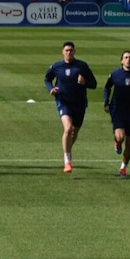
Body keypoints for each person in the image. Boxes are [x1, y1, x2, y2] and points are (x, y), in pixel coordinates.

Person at [44, 41, 98, 173]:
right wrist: (51, 89)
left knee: (74, 132)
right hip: (63, 101)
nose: (69, 52)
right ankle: (67, 160)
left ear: (75, 52)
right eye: (66, 50)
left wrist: (84, 82)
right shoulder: (56, 66)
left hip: (79, 103)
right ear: (62, 52)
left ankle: (67, 148)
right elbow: (47, 79)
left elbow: (94, 84)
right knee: (67, 129)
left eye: (71, 50)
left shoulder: (82, 66)